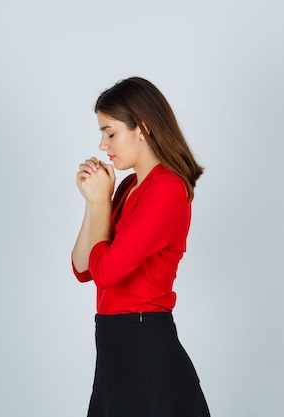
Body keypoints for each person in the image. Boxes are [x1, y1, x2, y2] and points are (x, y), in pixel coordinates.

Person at [71, 77, 210, 417]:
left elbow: (106, 272)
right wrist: (93, 202)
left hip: (145, 349)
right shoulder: (131, 184)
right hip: (114, 351)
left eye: (110, 132)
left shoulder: (167, 190)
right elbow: (82, 268)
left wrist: (102, 203)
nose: (103, 145)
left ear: (143, 128)